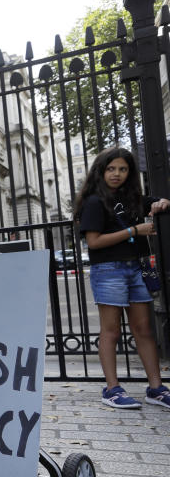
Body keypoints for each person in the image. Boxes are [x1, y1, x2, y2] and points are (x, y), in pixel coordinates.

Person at [75, 146, 170, 409]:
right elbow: (94, 242)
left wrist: (162, 202)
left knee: (144, 329)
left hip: (136, 269)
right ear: (101, 171)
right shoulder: (95, 201)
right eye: (111, 168)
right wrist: (133, 230)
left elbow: (155, 202)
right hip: (109, 270)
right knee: (111, 331)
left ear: (130, 172)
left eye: (123, 169)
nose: (117, 174)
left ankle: (156, 388)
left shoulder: (132, 199)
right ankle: (112, 389)